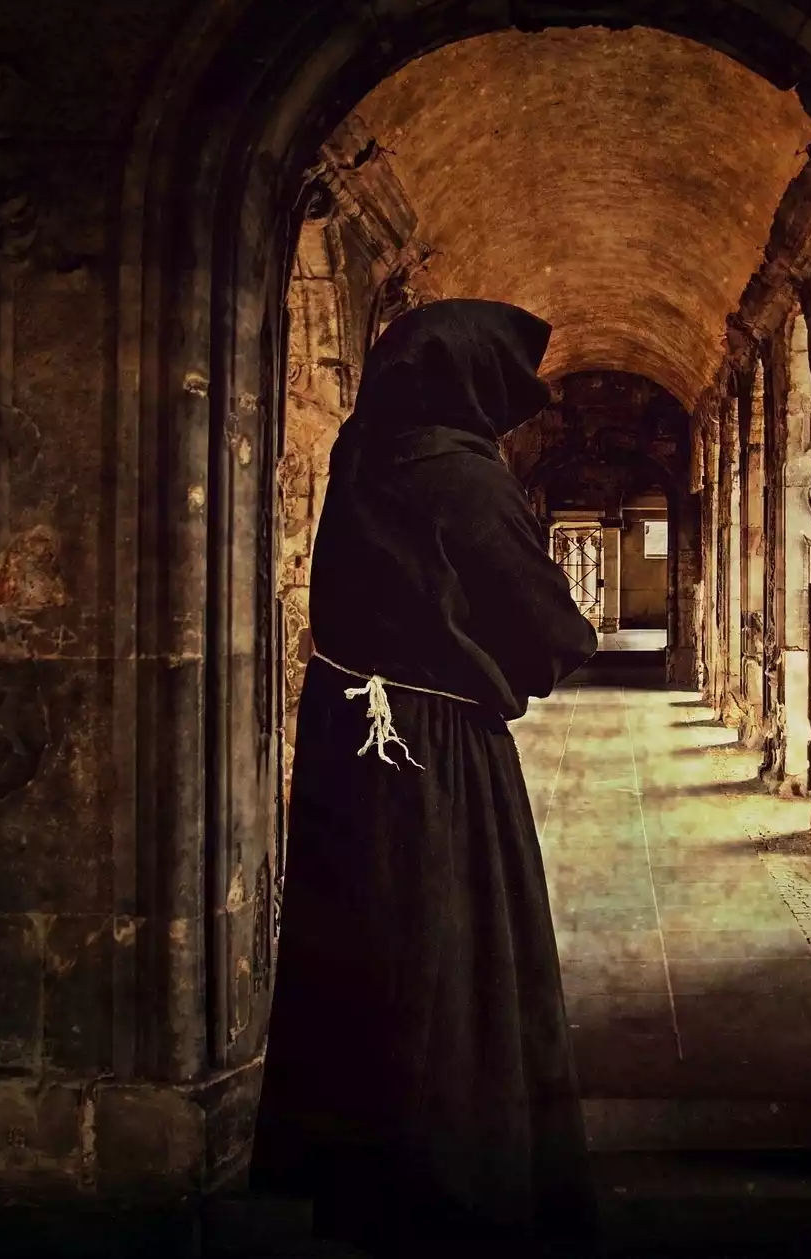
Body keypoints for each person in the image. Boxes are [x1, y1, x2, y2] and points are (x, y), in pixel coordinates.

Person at [250, 298, 602, 1258]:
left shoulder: (358, 458)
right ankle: (459, 1185)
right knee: (455, 958)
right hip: (437, 752)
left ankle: (359, 1185)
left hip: (346, 746)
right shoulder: (465, 479)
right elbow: (552, 635)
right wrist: (486, 661)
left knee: (364, 954)